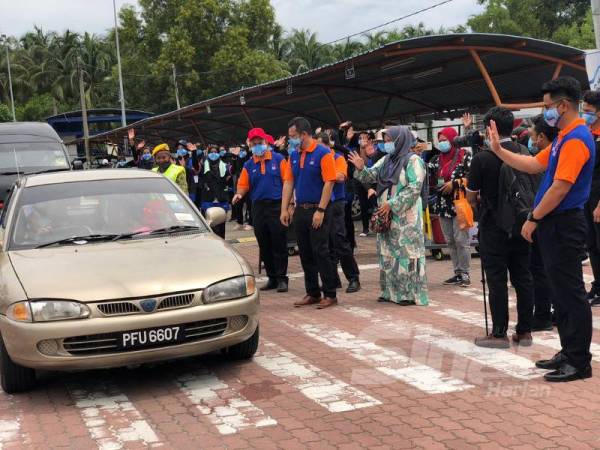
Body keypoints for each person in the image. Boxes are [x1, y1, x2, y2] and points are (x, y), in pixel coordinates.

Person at [486, 76, 594, 382]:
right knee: (560, 291)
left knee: (570, 293)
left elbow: (560, 188)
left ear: (562, 106)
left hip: (564, 222)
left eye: (548, 107)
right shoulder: (563, 137)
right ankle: (568, 351)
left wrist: (533, 218)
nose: (545, 112)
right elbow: (533, 164)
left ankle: (579, 361)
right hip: (555, 222)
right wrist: (498, 150)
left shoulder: (575, 139)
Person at [467, 106, 534, 349]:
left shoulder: (482, 158)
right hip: (523, 223)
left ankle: (498, 333)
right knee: (523, 277)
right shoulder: (525, 152)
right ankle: (525, 331)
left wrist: (479, 205)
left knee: (496, 280)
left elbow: (471, 196)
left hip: (493, 225)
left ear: (490, 128)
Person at [348, 125, 429, 306]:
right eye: (385, 142)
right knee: (387, 253)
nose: (387, 145)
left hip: (405, 217)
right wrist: (361, 168)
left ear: (400, 140)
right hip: (386, 215)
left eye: (390, 141)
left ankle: (407, 294)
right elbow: (371, 176)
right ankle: (390, 292)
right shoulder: (386, 160)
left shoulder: (414, 160)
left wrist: (392, 204)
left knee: (406, 254)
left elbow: (414, 188)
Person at [281, 117, 338, 309]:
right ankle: (312, 292)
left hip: (318, 209)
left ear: (304, 134)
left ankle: (330, 293)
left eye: (294, 136)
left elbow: (329, 182)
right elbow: (289, 182)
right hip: (301, 209)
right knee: (305, 253)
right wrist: (285, 208)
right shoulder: (294, 155)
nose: (291, 140)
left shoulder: (323, 152)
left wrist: (321, 210)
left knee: (321, 251)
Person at [234, 128, 289, 293]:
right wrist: (238, 194)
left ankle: (282, 278)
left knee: (279, 243)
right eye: (255, 144)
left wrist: (289, 206)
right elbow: (243, 185)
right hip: (258, 207)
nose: (258, 146)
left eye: (260, 143)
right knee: (264, 243)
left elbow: (288, 181)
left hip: (277, 205)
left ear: (266, 142)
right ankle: (271, 278)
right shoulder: (249, 164)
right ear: (250, 145)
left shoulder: (278, 159)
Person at [317, 132, 361, 293]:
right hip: (320, 203)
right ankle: (332, 279)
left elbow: (341, 177)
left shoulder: (337, 158)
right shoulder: (316, 159)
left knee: (339, 240)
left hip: (336, 203)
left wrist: (324, 174)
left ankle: (353, 277)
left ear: (329, 145)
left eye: (320, 146)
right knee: (325, 243)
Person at [429, 127, 472, 287]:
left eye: (444, 140)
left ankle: (465, 273)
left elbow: (473, 177)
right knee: (450, 241)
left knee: (462, 240)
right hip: (442, 205)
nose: (442, 143)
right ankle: (457, 273)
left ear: (452, 139)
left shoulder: (464, 156)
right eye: (439, 140)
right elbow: (428, 176)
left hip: (459, 203)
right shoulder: (435, 160)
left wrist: (454, 184)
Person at [528, 115, 558, 331]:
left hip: (549, 221)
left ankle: (543, 316)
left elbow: (554, 191)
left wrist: (534, 217)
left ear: (543, 137)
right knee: (550, 270)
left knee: (541, 270)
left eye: (534, 137)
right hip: (550, 220)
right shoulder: (551, 156)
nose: (532, 142)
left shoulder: (550, 160)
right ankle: (554, 313)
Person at [581, 90, 600, 305]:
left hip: (598, 200)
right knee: (592, 244)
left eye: (588, 111)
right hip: (587, 197)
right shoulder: (588, 133)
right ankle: (598, 285)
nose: (584, 114)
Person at [198, 145, 231, 238]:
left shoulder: (224, 165)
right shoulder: (204, 165)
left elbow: (230, 174)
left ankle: (222, 244)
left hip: (221, 199)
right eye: (211, 152)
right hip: (208, 199)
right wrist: (194, 153)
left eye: (215, 152)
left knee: (221, 226)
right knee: (209, 225)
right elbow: (196, 169)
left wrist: (234, 157)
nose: (213, 154)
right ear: (207, 154)